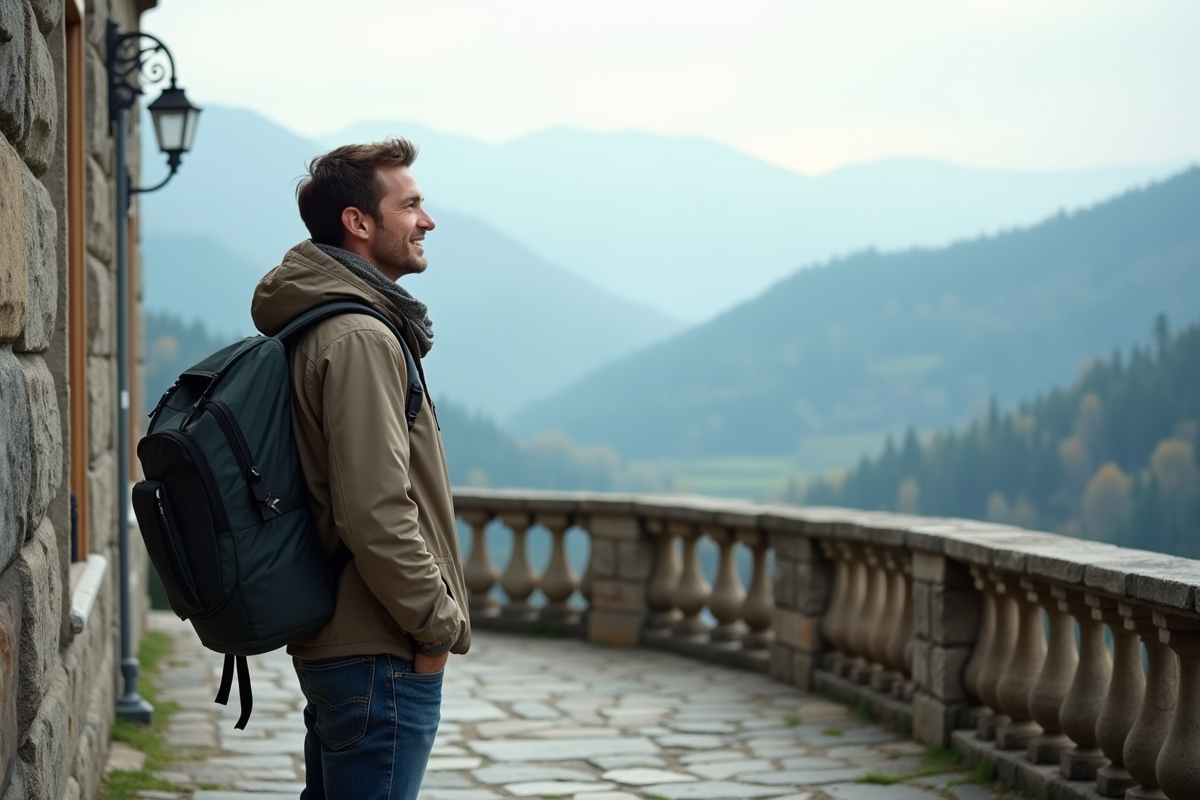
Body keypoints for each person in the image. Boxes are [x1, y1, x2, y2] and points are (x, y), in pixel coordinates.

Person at [250, 139, 470, 800]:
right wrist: (436, 627)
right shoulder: (360, 337)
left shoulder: (327, 324)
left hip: (351, 644)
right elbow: (374, 509)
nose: (427, 221)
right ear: (359, 222)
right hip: (381, 650)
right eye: (411, 206)